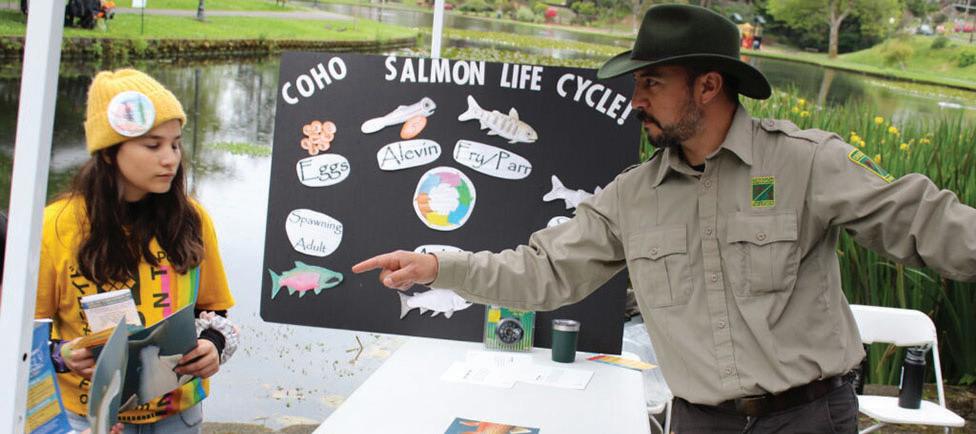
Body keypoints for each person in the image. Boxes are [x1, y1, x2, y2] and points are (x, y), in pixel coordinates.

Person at [353, 4, 976, 433]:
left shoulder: (807, 162)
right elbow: (542, 272)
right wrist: (437, 266)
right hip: (700, 422)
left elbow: (922, 220)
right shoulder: (632, 196)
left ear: (708, 86)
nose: (635, 99)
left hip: (808, 419)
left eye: (652, 82)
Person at [35, 69, 237, 433]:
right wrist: (62, 355)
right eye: (153, 145)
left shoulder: (193, 219)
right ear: (109, 152)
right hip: (87, 420)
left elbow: (213, 310)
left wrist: (214, 344)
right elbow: (23, 338)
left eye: (175, 144)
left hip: (179, 417)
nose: (170, 159)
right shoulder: (54, 226)